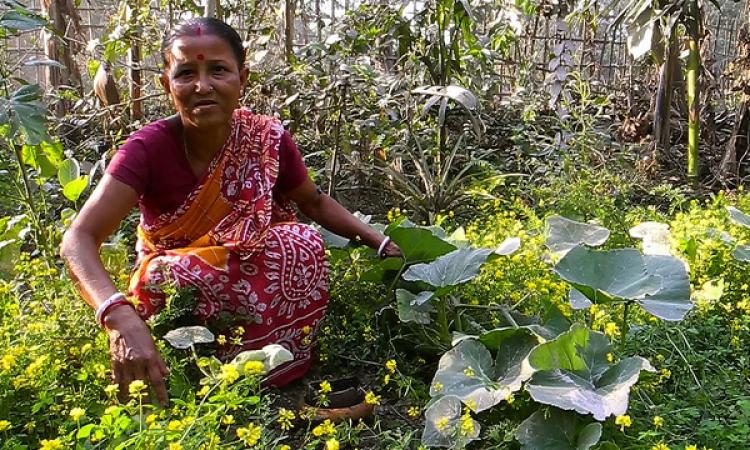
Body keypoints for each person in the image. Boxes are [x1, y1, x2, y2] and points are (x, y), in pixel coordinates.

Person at [60, 17, 401, 406]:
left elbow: (313, 202)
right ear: (167, 84)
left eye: (218, 70)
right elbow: (78, 239)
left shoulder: (266, 137)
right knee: (175, 274)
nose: (202, 86)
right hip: (179, 291)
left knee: (299, 240)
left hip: (248, 273)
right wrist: (117, 314)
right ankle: (194, 375)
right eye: (186, 73)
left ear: (243, 77)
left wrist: (380, 241)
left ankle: (279, 365)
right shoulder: (146, 149)